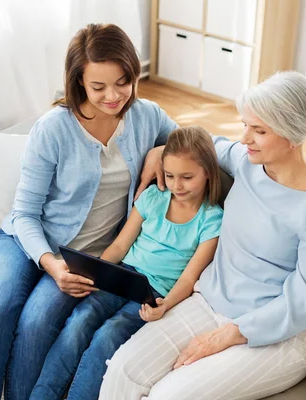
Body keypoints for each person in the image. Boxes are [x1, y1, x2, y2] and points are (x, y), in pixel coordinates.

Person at [99, 71, 306, 400]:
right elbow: (197, 145)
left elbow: (304, 302)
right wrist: (160, 150)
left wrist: (233, 333)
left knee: (168, 396)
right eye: (245, 124)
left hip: (278, 335)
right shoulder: (248, 163)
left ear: (293, 135)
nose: (245, 138)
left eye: (259, 130)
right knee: (123, 370)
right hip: (210, 302)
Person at [0, 23, 178, 400]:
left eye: (123, 81)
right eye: (98, 87)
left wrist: (164, 148)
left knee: (36, 322)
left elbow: (195, 143)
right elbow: (25, 212)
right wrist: (52, 264)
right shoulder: (53, 129)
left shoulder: (147, 116)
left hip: (86, 258)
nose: (113, 96)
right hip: (21, 240)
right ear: (78, 82)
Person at [29, 126, 224, 400]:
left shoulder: (212, 220)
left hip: (154, 295)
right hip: (122, 276)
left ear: (208, 172)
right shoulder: (154, 197)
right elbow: (121, 245)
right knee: (79, 321)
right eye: (169, 175)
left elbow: (189, 279)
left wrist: (165, 306)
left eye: (187, 177)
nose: (177, 185)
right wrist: (96, 271)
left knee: (108, 335)